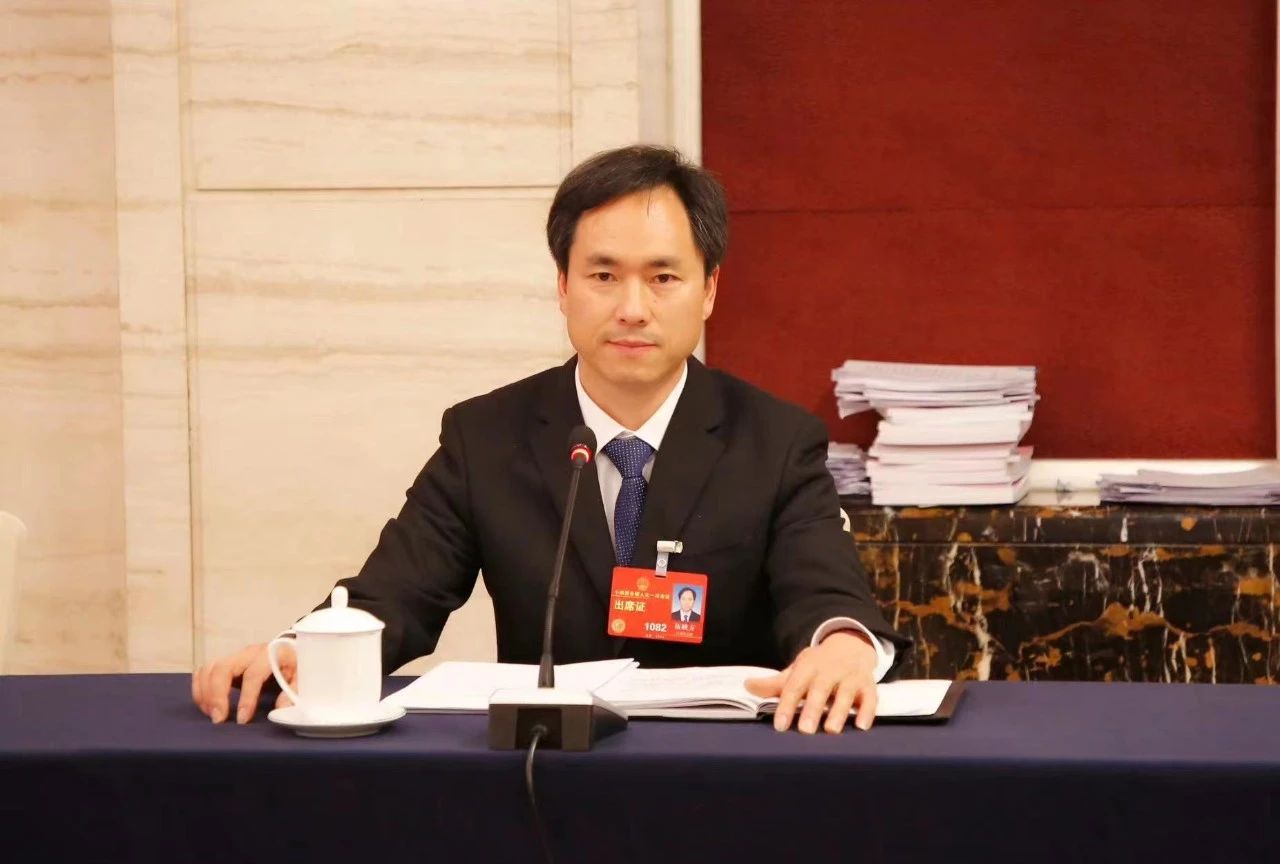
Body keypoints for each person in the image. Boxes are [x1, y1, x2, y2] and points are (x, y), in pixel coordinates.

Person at [192, 145, 908, 735]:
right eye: (603, 275)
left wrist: (843, 646)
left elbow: (825, 591)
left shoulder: (776, 440)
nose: (632, 308)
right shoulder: (486, 437)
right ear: (563, 286)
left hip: (718, 776)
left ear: (709, 290)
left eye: (663, 277)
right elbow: (397, 594)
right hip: (544, 772)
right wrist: (301, 650)